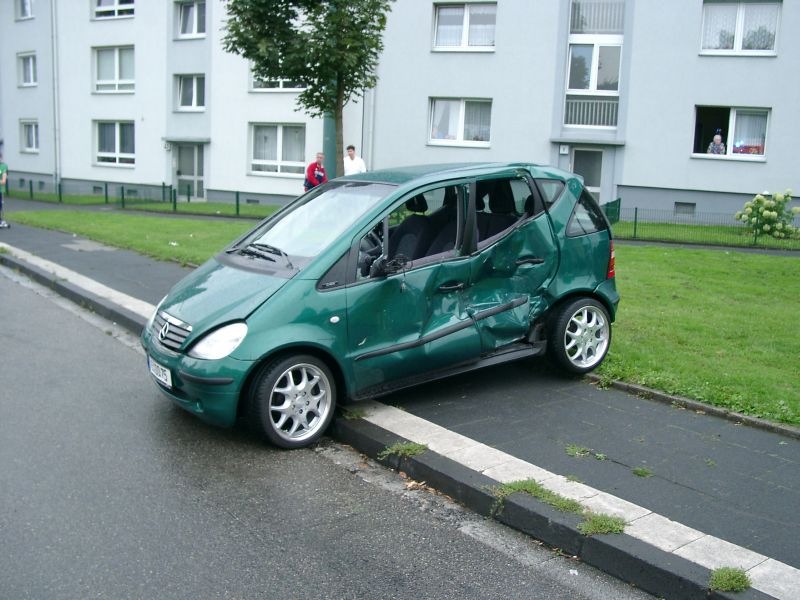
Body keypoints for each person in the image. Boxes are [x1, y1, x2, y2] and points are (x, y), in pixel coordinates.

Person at [0, 155, 9, 229]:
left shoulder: (3, 167)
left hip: (0, 190)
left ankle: (1, 220)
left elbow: (3, 181)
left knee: (0, 205)